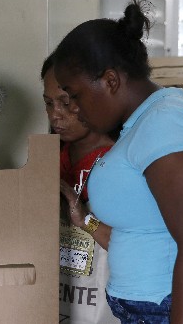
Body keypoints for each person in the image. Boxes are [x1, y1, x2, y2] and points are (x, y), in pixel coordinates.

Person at [52, 0, 183, 323]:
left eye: (74, 95)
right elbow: (142, 233)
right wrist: (83, 219)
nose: (74, 109)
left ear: (110, 80)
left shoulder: (165, 124)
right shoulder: (141, 126)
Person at [41, 55, 118, 324]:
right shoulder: (51, 157)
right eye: (48, 103)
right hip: (57, 295)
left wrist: (86, 219)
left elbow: (138, 249)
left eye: (65, 102)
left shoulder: (120, 162)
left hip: (103, 301)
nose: (55, 115)